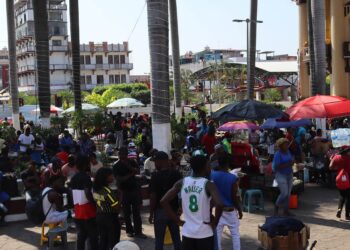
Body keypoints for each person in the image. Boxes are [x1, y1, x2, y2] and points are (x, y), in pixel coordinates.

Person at [161, 155, 224, 250]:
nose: (210, 167)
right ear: (204, 167)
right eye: (208, 165)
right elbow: (220, 204)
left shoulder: (182, 182)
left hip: (188, 232)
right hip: (204, 232)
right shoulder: (208, 184)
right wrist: (215, 222)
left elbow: (163, 201)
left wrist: (177, 221)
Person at [149, 151, 182, 250]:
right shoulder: (176, 174)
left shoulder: (155, 176)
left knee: (159, 240)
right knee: (176, 238)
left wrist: (151, 213)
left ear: (160, 161)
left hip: (159, 212)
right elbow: (181, 194)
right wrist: (180, 207)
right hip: (173, 211)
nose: (154, 163)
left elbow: (153, 196)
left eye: (155, 161)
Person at [113, 147, 146, 239]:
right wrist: (131, 174)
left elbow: (138, 172)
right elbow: (120, 179)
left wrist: (128, 166)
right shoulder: (116, 165)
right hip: (124, 191)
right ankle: (129, 231)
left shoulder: (131, 162)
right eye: (120, 154)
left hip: (134, 189)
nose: (122, 156)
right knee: (127, 213)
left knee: (137, 212)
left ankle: (138, 231)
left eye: (123, 154)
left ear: (126, 154)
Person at [211, 155, 243, 250]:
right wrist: (239, 210)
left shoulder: (213, 175)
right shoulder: (232, 178)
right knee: (235, 235)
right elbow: (234, 197)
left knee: (217, 235)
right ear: (228, 164)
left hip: (218, 210)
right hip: (230, 210)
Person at [69, 154, 98, 250]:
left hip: (78, 209)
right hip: (88, 210)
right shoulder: (86, 177)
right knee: (93, 235)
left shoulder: (73, 178)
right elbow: (87, 192)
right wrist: (95, 205)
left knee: (81, 235)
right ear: (86, 165)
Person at [93, 168, 121, 250]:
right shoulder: (108, 192)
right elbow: (117, 208)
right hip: (110, 218)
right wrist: (121, 196)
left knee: (103, 240)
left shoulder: (96, 189)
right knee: (113, 242)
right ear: (105, 177)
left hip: (99, 216)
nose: (113, 177)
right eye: (111, 175)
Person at [272, 138, 294, 216]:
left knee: (288, 194)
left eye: (287, 144)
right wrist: (288, 164)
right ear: (281, 146)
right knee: (284, 193)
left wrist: (292, 162)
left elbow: (291, 160)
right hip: (280, 174)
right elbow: (276, 166)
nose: (287, 146)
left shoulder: (288, 152)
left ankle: (286, 210)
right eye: (285, 145)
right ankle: (276, 206)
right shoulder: (278, 154)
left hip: (289, 174)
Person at [330, 147, 350, 220]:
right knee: (348, 197)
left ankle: (339, 210)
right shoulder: (349, 157)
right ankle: (347, 215)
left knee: (342, 195)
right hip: (349, 180)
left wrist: (338, 168)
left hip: (340, 179)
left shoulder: (336, 157)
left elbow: (330, 167)